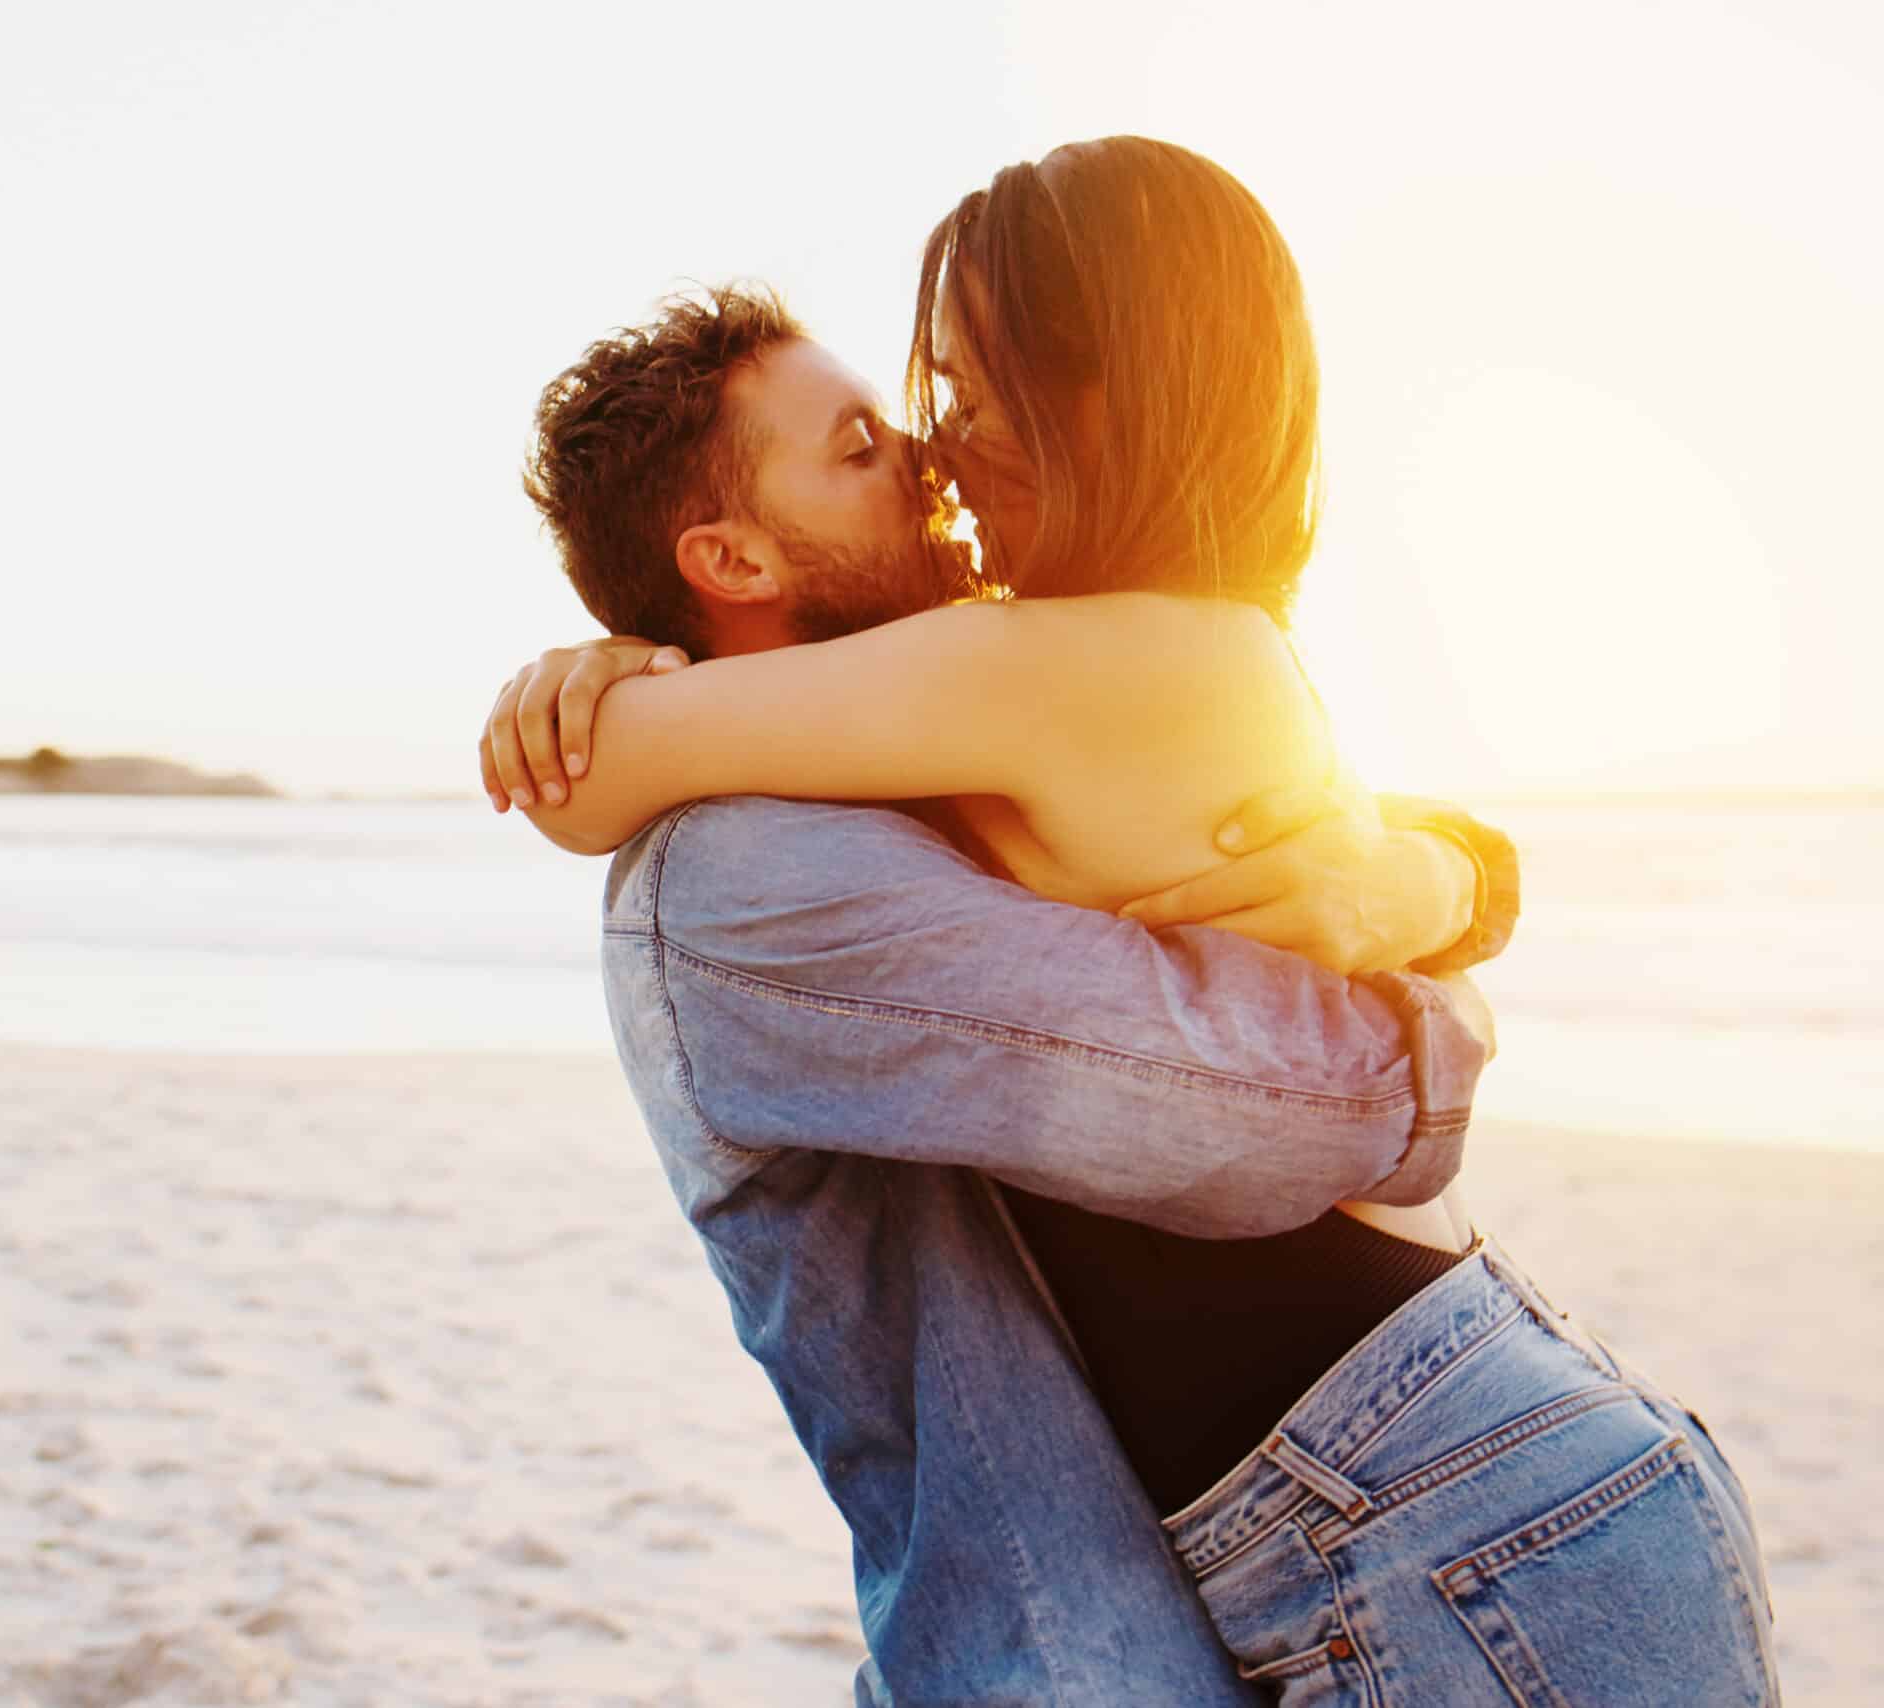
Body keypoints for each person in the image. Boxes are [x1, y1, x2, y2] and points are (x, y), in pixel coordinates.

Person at [483, 140, 1776, 1706]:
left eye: (961, 388)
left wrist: (602, 686)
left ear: (1105, 393)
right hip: (1450, 1491)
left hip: (1444, 1503)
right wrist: (1453, 886)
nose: (935, 448)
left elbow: (588, 781)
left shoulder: (1057, 663)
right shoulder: (1088, 671)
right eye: (883, 428)